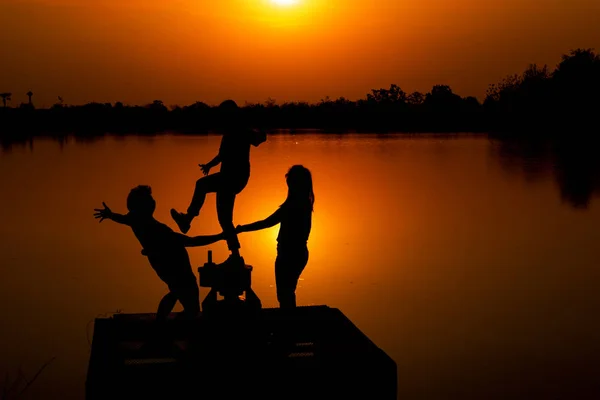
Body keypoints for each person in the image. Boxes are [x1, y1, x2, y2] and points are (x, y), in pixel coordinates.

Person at [93, 185, 225, 322]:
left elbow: (124, 219)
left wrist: (111, 215)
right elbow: (191, 241)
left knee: (180, 294)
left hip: (172, 263)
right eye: (149, 199)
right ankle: (162, 324)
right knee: (180, 291)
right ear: (141, 205)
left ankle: (166, 323)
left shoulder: (143, 222)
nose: (153, 202)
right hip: (172, 263)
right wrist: (220, 236)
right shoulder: (145, 224)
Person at [170, 100, 266, 265]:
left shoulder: (237, 131)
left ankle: (188, 219)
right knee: (225, 219)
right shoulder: (237, 131)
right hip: (233, 178)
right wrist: (209, 165)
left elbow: (256, 140)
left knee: (202, 185)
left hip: (232, 178)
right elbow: (255, 141)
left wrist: (260, 130)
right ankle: (235, 255)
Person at [236, 165, 314, 308]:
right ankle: (289, 319)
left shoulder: (293, 206)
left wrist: (243, 228)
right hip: (298, 253)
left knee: (284, 293)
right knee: (288, 292)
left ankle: (288, 323)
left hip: (289, 254)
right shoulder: (305, 204)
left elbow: (267, 222)